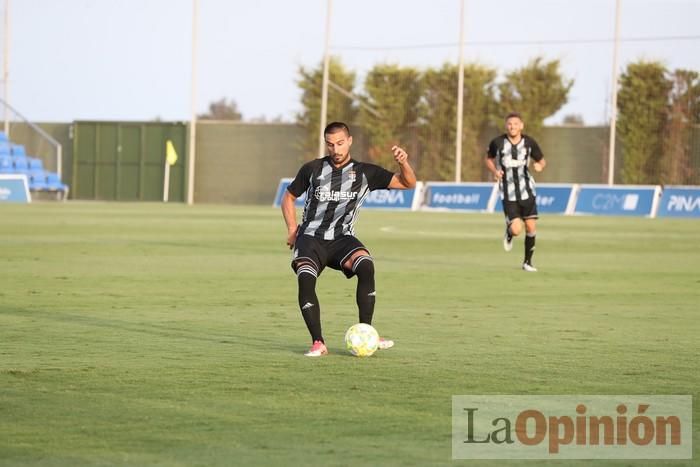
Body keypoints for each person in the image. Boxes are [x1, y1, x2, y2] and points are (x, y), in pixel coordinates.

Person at [281, 121, 417, 357]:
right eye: (330, 144)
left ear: (350, 141)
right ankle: (318, 342)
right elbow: (289, 196)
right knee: (305, 278)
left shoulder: (365, 172)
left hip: (342, 238)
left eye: (340, 143)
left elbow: (408, 183)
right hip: (310, 239)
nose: (335, 149)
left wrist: (403, 162)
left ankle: (367, 331)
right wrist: (292, 228)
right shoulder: (312, 169)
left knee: (366, 265)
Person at [485, 112, 547, 272]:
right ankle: (509, 231)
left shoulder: (529, 143)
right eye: (510, 124)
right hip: (508, 192)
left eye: (515, 124)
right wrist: (495, 170)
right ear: (506, 125)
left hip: (527, 190)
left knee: (531, 227)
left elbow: (541, 160)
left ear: (521, 125)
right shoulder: (497, 142)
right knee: (517, 230)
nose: (512, 126)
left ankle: (527, 262)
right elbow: (488, 158)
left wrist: (540, 166)